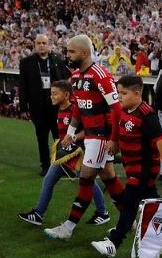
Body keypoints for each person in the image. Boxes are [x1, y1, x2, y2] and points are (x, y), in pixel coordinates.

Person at [44, 34, 125, 241]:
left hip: (101, 136)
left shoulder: (100, 75)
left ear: (85, 53)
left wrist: (114, 139)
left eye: (72, 51)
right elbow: (79, 109)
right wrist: (70, 133)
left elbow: (117, 109)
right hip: (89, 135)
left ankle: (68, 227)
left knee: (86, 178)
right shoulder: (76, 78)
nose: (68, 55)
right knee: (108, 176)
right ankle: (129, 218)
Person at [91, 76, 162, 257]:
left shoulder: (147, 115)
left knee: (129, 204)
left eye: (123, 93)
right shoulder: (126, 110)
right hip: (132, 167)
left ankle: (114, 242)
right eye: (118, 92)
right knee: (152, 202)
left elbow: (161, 141)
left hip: (143, 169)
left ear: (137, 94)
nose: (119, 96)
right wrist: (115, 142)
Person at [18, 80, 109, 227]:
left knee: (86, 181)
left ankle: (102, 212)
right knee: (65, 180)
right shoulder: (60, 109)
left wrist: (73, 137)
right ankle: (38, 214)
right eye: (51, 94)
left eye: (55, 93)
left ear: (66, 95)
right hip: (67, 152)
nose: (51, 96)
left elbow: (89, 129)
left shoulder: (75, 109)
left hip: (78, 153)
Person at [19, 34, 71, 176]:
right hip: (38, 107)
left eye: (44, 43)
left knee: (59, 137)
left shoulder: (57, 60)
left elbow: (65, 82)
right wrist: (23, 107)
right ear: (35, 45)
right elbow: (22, 86)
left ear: (49, 44)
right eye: (39, 43)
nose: (42, 45)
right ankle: (46, 166)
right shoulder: (26, 62)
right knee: (42, 138)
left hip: (57, 107)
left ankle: (62, 165)